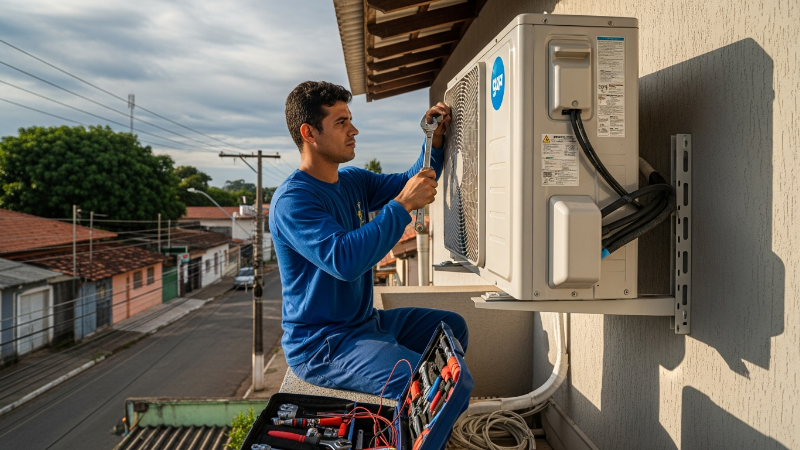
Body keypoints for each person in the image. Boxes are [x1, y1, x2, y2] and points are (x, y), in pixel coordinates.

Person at [269, 81, 469, 399]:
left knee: (451, 327)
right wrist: (403, 205)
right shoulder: (293, 201)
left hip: (365, 323)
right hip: (323, 344)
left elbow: (411, 181)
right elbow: (344, 260)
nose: (354, 130)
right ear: (309, 133)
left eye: (350, 120)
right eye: (341, 122)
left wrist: (434, 140)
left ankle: (421, 417)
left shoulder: (353, 181)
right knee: (423, 383)